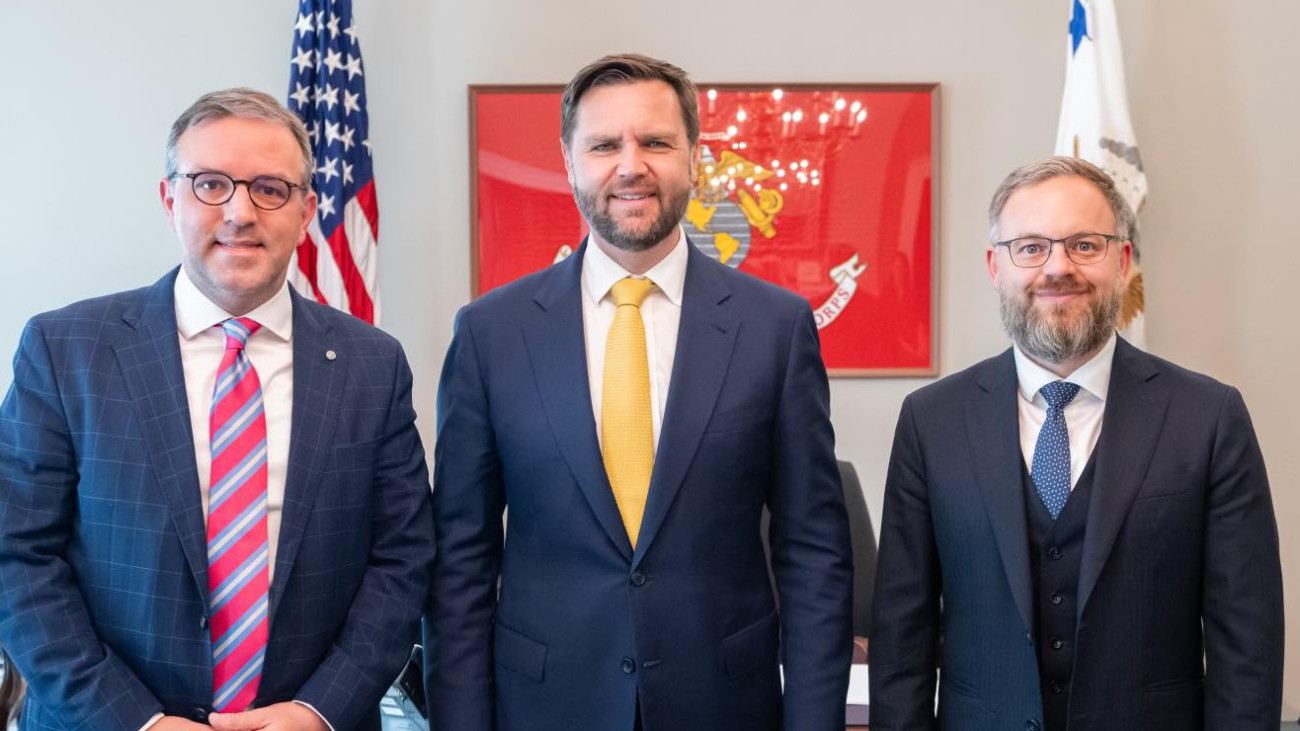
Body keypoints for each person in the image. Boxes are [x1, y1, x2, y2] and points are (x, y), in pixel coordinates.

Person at [424, 54, 853, 731]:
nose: (631, 166)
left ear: (694, 157)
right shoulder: (490, 334)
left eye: (656, 142)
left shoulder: (775, 327)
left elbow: (813, 551)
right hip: (544, 708)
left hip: (725, 706)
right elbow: (460, 564)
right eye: (604, 144)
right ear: (570, 161)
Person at [0, 88, 433, 731]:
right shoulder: (66, 350)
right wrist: (135, 721)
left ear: (307, 209)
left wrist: (320, 710)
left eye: (270, 188)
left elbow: (402, 558)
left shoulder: (373, 364)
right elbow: (17, 554)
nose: (239, 212)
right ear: (168, 198)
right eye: (209, 184)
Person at [869, 156, 1284, 730]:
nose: (1058, 268)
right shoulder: (931, 421)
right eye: (1031, 247)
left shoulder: (1208, 418)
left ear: (1124, 261)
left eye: (1085, 245)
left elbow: (1248, 642)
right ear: (996, 266)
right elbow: (900, 636)